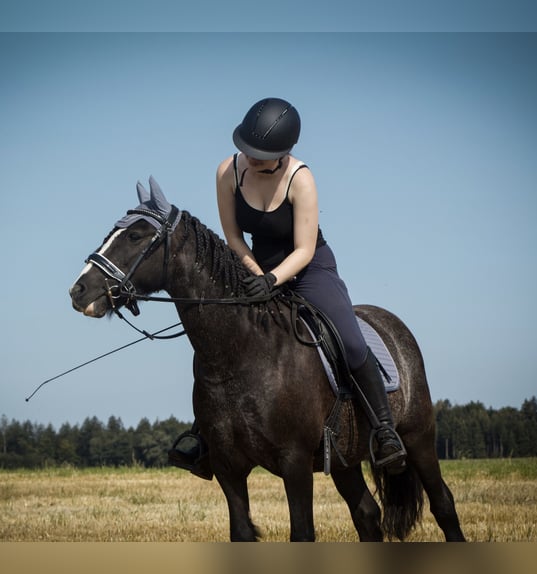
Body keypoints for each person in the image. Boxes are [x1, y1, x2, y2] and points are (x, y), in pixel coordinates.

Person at [169, 97, 406, 478]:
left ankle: (384, 430)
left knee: (351, 342)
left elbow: (305, 249)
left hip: (309, 269)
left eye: (261, 155)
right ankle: (205, 439)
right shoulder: (227, 172)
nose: (251, 159)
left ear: (285, 152)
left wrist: (272, 281)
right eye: (247, 150)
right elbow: (232, 236)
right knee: (220, 336)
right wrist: (253, 274)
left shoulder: (301, 178)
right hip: (254, 263)